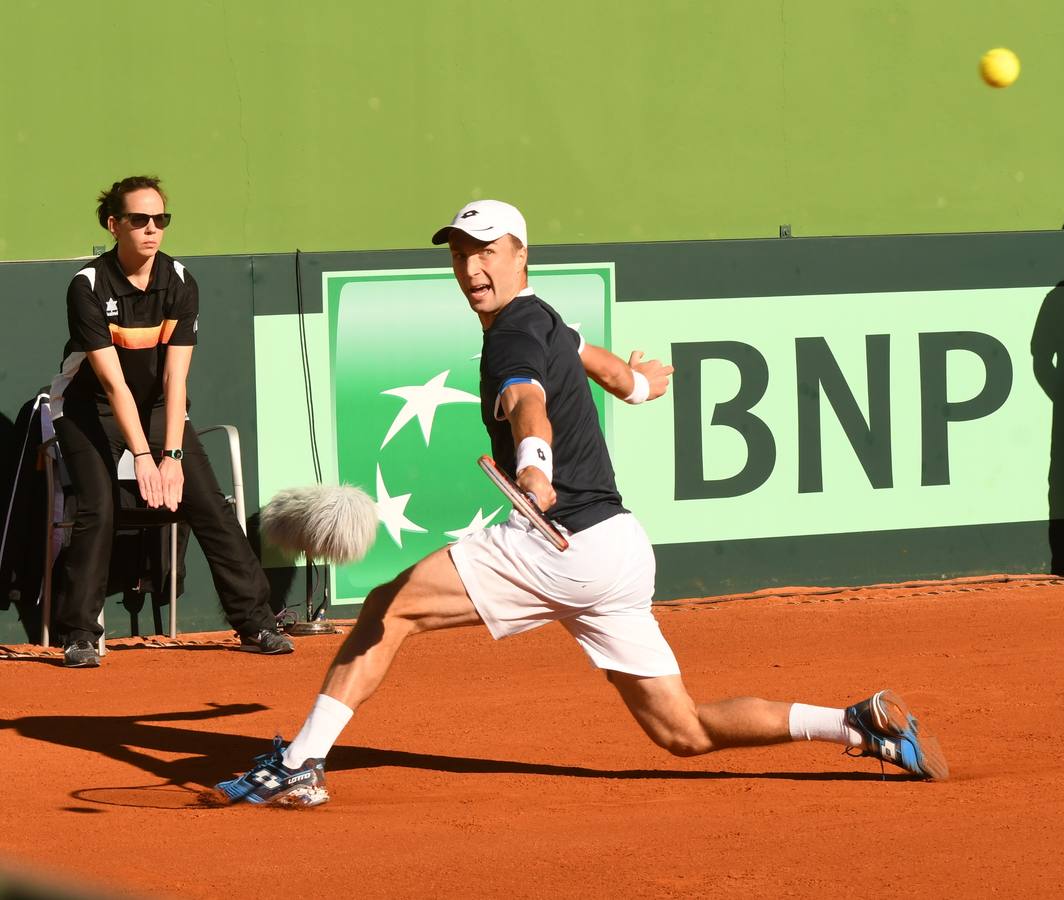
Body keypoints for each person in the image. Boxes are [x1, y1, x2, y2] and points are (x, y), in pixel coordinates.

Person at [215, 200, 946, 806]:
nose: (473, 266)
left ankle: (298, 765)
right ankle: (858, 727)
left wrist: (535, 467)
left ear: (520, 255)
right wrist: (645, 384)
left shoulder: (512, 338)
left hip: (560, 539)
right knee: (682, 730)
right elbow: (609, 373)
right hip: (618, 549)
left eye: (489, 250)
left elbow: (527, 400)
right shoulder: (547, 320)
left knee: (388, 607)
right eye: (462, 252)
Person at [49, 176, 293, 666]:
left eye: (160, 220)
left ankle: (256, 623)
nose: (152, 229)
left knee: (208, 504)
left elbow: (175, 381)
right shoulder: (88, 286)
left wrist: (173, 456)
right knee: (99, 509)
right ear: (113, 224)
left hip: (160, 408)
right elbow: (113, 384)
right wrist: (142, 456)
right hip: (87, 410)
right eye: (139, 220)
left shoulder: (179, 281)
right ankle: (79, 634)